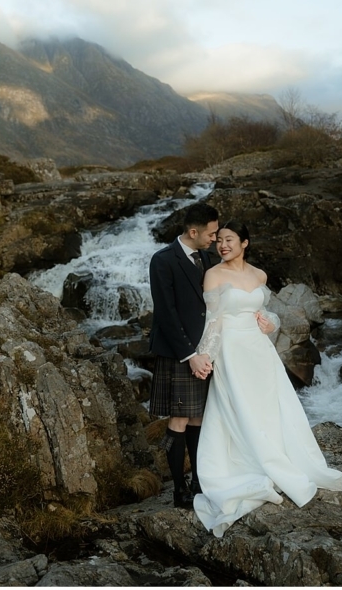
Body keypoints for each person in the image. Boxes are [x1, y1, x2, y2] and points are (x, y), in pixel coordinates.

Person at [190, 222, 342, 537]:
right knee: (239, 405)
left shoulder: (259, 275)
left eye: (229, 240)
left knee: (268, 403)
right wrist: (205, 356)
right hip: (231, 350)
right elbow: (212, 321)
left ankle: (280, 454)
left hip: (260, 350)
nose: (223, 245)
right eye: (219, 240)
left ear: (244, 243)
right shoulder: (214, 275)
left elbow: (269, 313)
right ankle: (251, 462)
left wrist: (269, 323)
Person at [148, 202, 220, 509]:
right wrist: (190, 354)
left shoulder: (207, 257)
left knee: (199, 417)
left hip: (204, 352)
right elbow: (166, 313)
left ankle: (198, 481)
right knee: (177, 419)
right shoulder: (162, 260)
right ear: (194, 231)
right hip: (180, 354)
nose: (215, 239)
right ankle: (178, 488)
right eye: (212, 234)